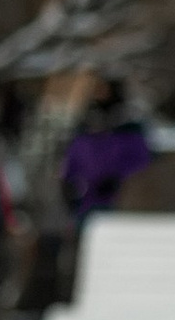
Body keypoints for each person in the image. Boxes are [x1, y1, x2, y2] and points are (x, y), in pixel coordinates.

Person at [61, 81, 151, 225]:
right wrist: (68, 185)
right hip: (86, 202)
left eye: (102, 89)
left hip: (117, 202)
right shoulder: (83, 127)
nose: (98, 93)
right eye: (95, 89)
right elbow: (72, 163)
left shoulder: (128, 129)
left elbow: (141, 161)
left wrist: (118, 179)